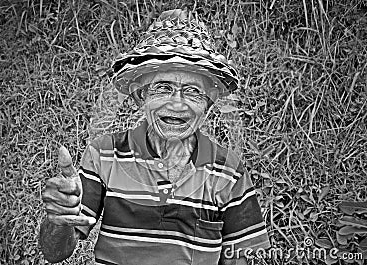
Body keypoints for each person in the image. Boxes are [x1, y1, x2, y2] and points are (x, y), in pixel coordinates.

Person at [39, 9, 270, 265]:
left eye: (193, 91)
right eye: (163, 88)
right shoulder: (104, 154)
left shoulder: (229, 171)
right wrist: (58, 218)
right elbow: (55, 252)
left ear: (208, 103)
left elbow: (243, 258)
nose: (177, 104)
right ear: (141, 97)